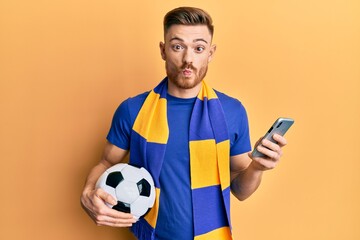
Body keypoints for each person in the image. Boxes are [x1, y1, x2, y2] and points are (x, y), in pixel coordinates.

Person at [81, 6, 288, 240]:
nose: (188, 59)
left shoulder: (232, 112)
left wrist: (257, 168)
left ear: (210, 53)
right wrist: (88, 192)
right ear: (163, 50)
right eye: (177, 46)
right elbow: (106, 162)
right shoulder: (132, 110)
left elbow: (239, 190)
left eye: (198, 48)